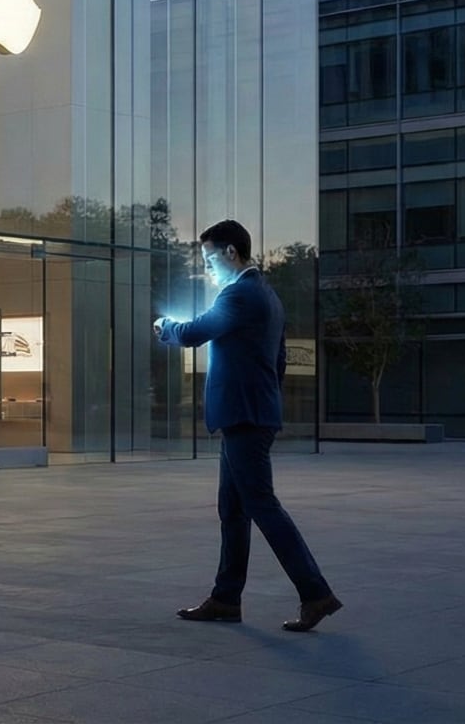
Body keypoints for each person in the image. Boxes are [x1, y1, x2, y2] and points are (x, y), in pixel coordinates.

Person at [153, 219, 341, 632]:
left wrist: (167, 329)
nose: (207, 268)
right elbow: (278, 361)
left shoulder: (239, 294)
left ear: (231, 253)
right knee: (234, 508)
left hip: (244, 415)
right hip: (251, 413)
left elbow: (195, 332)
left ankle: (316, 593)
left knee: (260, 505)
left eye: (208, 259)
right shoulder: (267, 295)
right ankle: (225, 599)